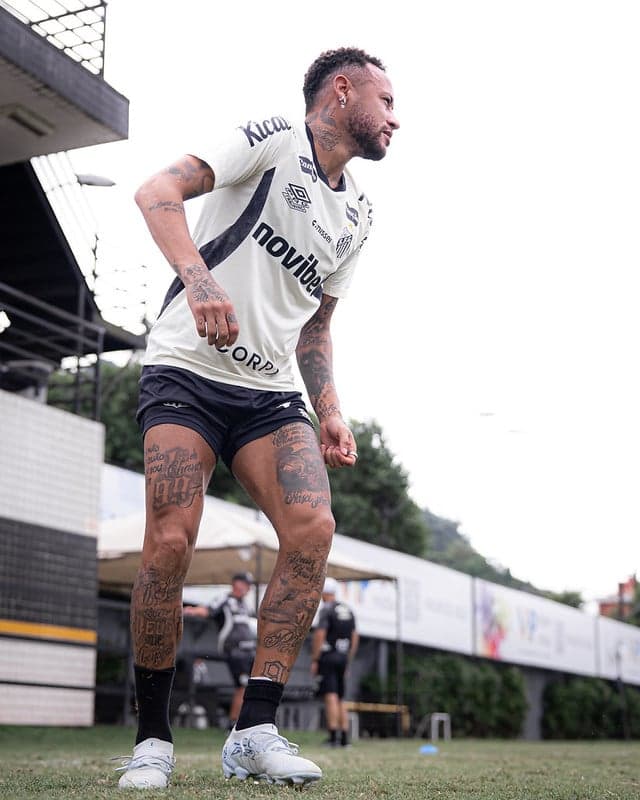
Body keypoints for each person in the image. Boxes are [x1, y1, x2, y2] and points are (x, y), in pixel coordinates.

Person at [116, 46, 399, 790]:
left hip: (271, 395)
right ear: (342, 92)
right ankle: (152, 740)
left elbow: (314, 329)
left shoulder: (361, 213)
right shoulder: (273, 139)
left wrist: (330, 411)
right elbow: (155, 192)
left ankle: (255, 730)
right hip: (187, 369)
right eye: (387, 102)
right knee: (171, 540)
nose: (396, 119)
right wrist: (200, 280)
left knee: (314, 529)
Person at [183, 572, 257, 728]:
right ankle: (234, 724)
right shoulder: (225, 599)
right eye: (245, 584)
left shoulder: (245, 605)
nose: (247, 588)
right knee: (242, 686)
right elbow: (208, 610)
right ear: (236, 583)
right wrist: (192, 610)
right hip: (235, 651)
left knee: (254, 686)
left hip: (250, 650)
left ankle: (249, 723)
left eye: (249, 585)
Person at [311, 577, 359, 747]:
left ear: (324, 593)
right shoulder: (348, 609)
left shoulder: (327, 609)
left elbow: (319, 634)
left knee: (330, 695)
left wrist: (315, 658)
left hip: (328, 657)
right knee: (341, 697)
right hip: (343, 658)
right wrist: (348, 659)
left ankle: (333, 736)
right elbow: (354, 637)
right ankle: (345, 737)